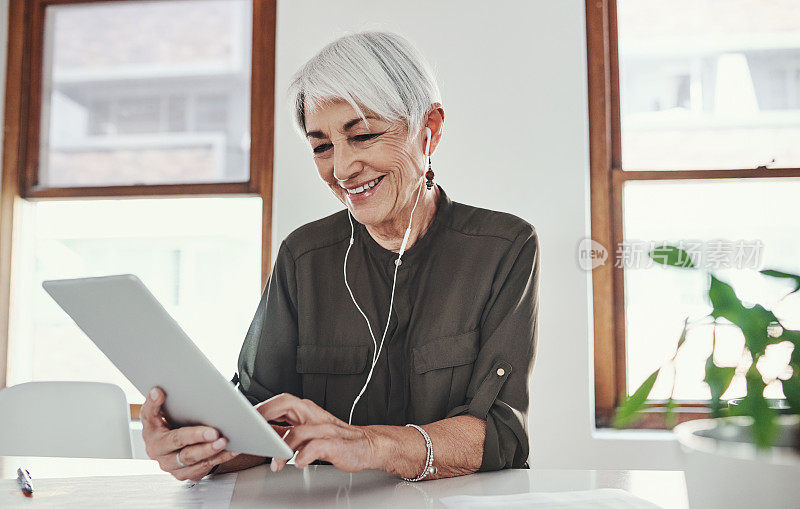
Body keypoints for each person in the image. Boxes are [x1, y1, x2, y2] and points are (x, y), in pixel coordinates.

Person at [141, 30, 539, 483]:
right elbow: (258, 423)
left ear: (429, 130)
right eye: (322, 147)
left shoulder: (503, 247)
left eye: (364, 135)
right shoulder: (303, 257)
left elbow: (501, 434)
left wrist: (372, 444)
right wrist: (199, 447)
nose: (343, 169)